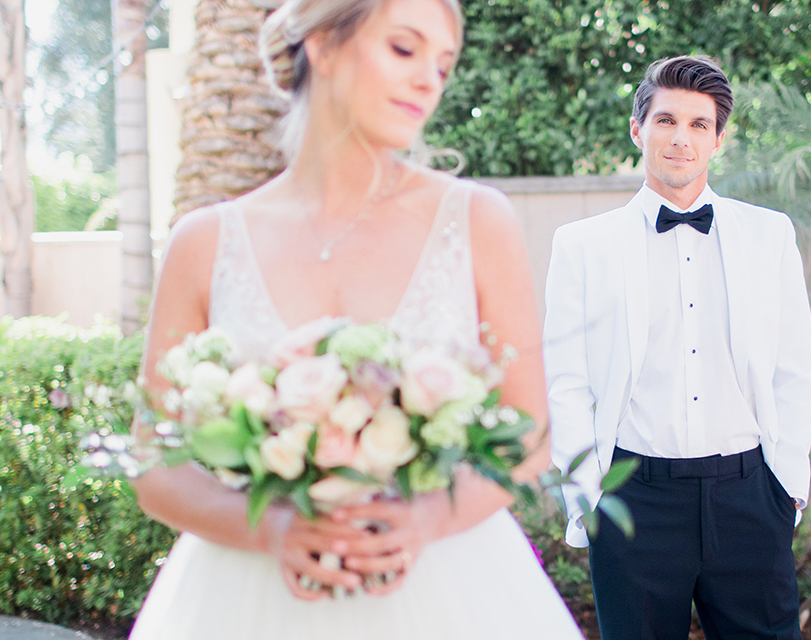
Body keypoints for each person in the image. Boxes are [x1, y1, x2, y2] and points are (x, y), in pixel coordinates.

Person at [127, 0, 584, 637]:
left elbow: (531, 432)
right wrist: (273, 527)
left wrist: (426, 520)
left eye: (443, 63)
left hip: (450, 589)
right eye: (404, 48)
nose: (431, 78)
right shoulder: (203, 243)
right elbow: (155, 461)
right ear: (323, 43)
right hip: (245, 599)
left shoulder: (478, 221)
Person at [544, 55, 811, 640]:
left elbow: (793, 371)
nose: (681, 138)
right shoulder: (581, 246)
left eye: (699, 124)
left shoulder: (770, 235)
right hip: (632, 502)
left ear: (718, 139)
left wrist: (788, 488)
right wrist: (587, 502)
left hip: (751, 497)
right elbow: (567, 382)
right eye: (666, 119)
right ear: (638, 128)